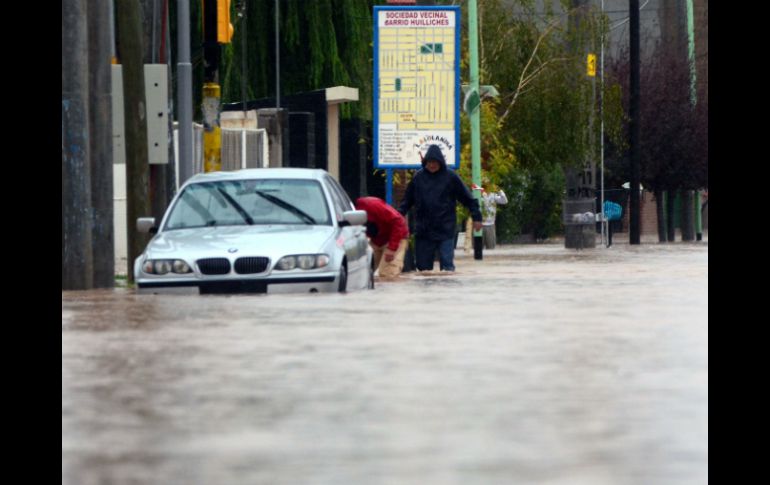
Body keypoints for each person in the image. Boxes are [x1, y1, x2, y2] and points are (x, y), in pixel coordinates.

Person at [398, 144, 482, 272]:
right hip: (424, 231)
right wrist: (397, 217)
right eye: (429, 162)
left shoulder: (451, 177)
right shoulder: (418, 178)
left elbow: (467, 198)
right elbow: (406, 202)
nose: (432, 165)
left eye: (435, 162)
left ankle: (447, 290)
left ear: (440, 162)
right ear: (425, 162)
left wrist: (477, 217)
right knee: (423, 269)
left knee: (447, 268)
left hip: (445, 229)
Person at [355, 196, 410, 279]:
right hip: (375, 240)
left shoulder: (372, 205)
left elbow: (398, 221)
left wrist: (392, 248)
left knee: (388, 275)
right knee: (362, 275)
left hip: (395, 238)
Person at [475, 183, 508, 249]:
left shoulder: (493, 195)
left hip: (490, 225)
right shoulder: (478, 195)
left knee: (491, 248)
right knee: (478, 249)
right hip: (479, 224)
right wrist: (481, 191)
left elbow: (504, 201)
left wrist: (499, 190)